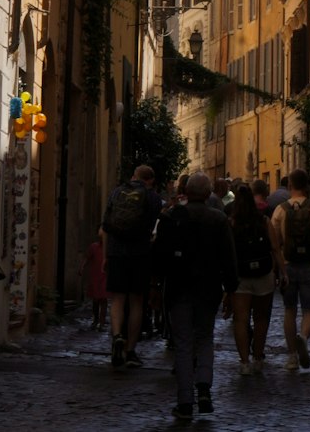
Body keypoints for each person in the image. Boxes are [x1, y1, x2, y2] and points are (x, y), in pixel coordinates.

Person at [152, 171, 239, 422]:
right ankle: (203, 389)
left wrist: (155, 286)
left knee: (182, 342)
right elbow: (228, 258)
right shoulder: (219, 219)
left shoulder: (171, 217)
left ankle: (184, 400)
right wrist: (231, 290)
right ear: (208, 193)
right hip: (208, 289)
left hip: (178, 287)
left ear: (187, 192)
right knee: (204, 338)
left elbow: (159, 255)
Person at [100, 163, 163, 368]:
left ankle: (117, 334)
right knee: (137, 302)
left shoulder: (117, 192)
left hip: (116, 252)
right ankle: (130, 350)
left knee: (117, 299)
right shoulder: (153, 198)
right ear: (150, 180)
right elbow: (155, 229)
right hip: (140, 254)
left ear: (134, 175)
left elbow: (104, 229)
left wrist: (105, 256)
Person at [271, 167, 310, 372]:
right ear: (307, 185)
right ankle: (303, 336)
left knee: (289, 310)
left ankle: (292, 356)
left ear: (290, 185)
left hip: (288, 264)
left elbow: (276, 240)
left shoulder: (281, 209)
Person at [228, 183, 281, 374]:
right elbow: (275, 248)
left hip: (240, 276)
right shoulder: (263, 220)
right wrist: (282, 271)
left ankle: (244, 362)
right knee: (261, 319)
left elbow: (228, 253)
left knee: (241, 320)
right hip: (263, 274)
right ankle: (258, 357)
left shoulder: (232, 223)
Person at [81, 230, 107, 329]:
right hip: (95, 276)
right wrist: (82, 267)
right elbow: (87, 258)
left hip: (105, 276)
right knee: (95, 300)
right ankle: (96, 320)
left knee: (103, 299)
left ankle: (102, 322)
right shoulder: (93, 247)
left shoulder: (108, 248)